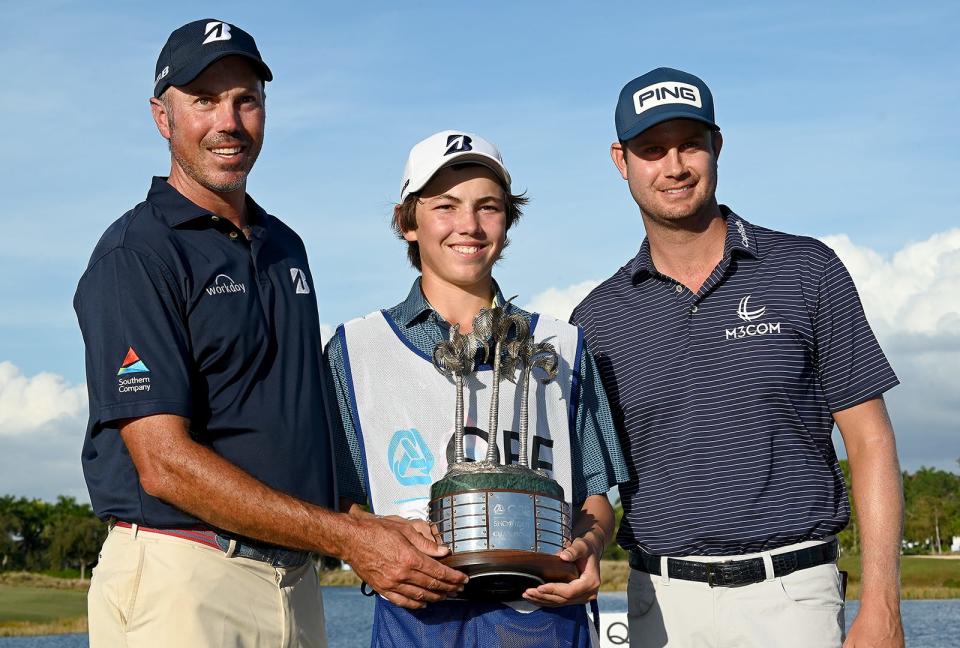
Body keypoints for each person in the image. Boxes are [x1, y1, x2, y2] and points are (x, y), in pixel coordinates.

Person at [73, 19, 465, 648]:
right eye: (204, 100)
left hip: (294, 578)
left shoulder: (285, 246)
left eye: (245, 99)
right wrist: (348, 538)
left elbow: (295, 425)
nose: (228, 121)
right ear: (162, 117)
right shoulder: (135, 255)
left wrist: (364, 522)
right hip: (183, 579)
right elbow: (165, 465)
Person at [570, 68, 905, 648]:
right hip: (660, 604)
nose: (673, 167)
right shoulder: (596, 319)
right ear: (621, 161)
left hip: (793, 595)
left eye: (689, 145)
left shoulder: (807, 270)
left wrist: (882, 605)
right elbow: (593, 482)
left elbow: (870, 440)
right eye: (651, 149)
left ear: (716, 146)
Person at [324, 130, 629, 647]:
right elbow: (338, 503)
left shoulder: (563, 344)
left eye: (488, 207)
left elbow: (595, 500)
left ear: (508, 223)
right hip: (417, 627)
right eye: (446, 205)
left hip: (544, 626)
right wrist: (372, 543)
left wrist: (591, 546)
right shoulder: (355, 350)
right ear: (407, 222)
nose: (468, 225)